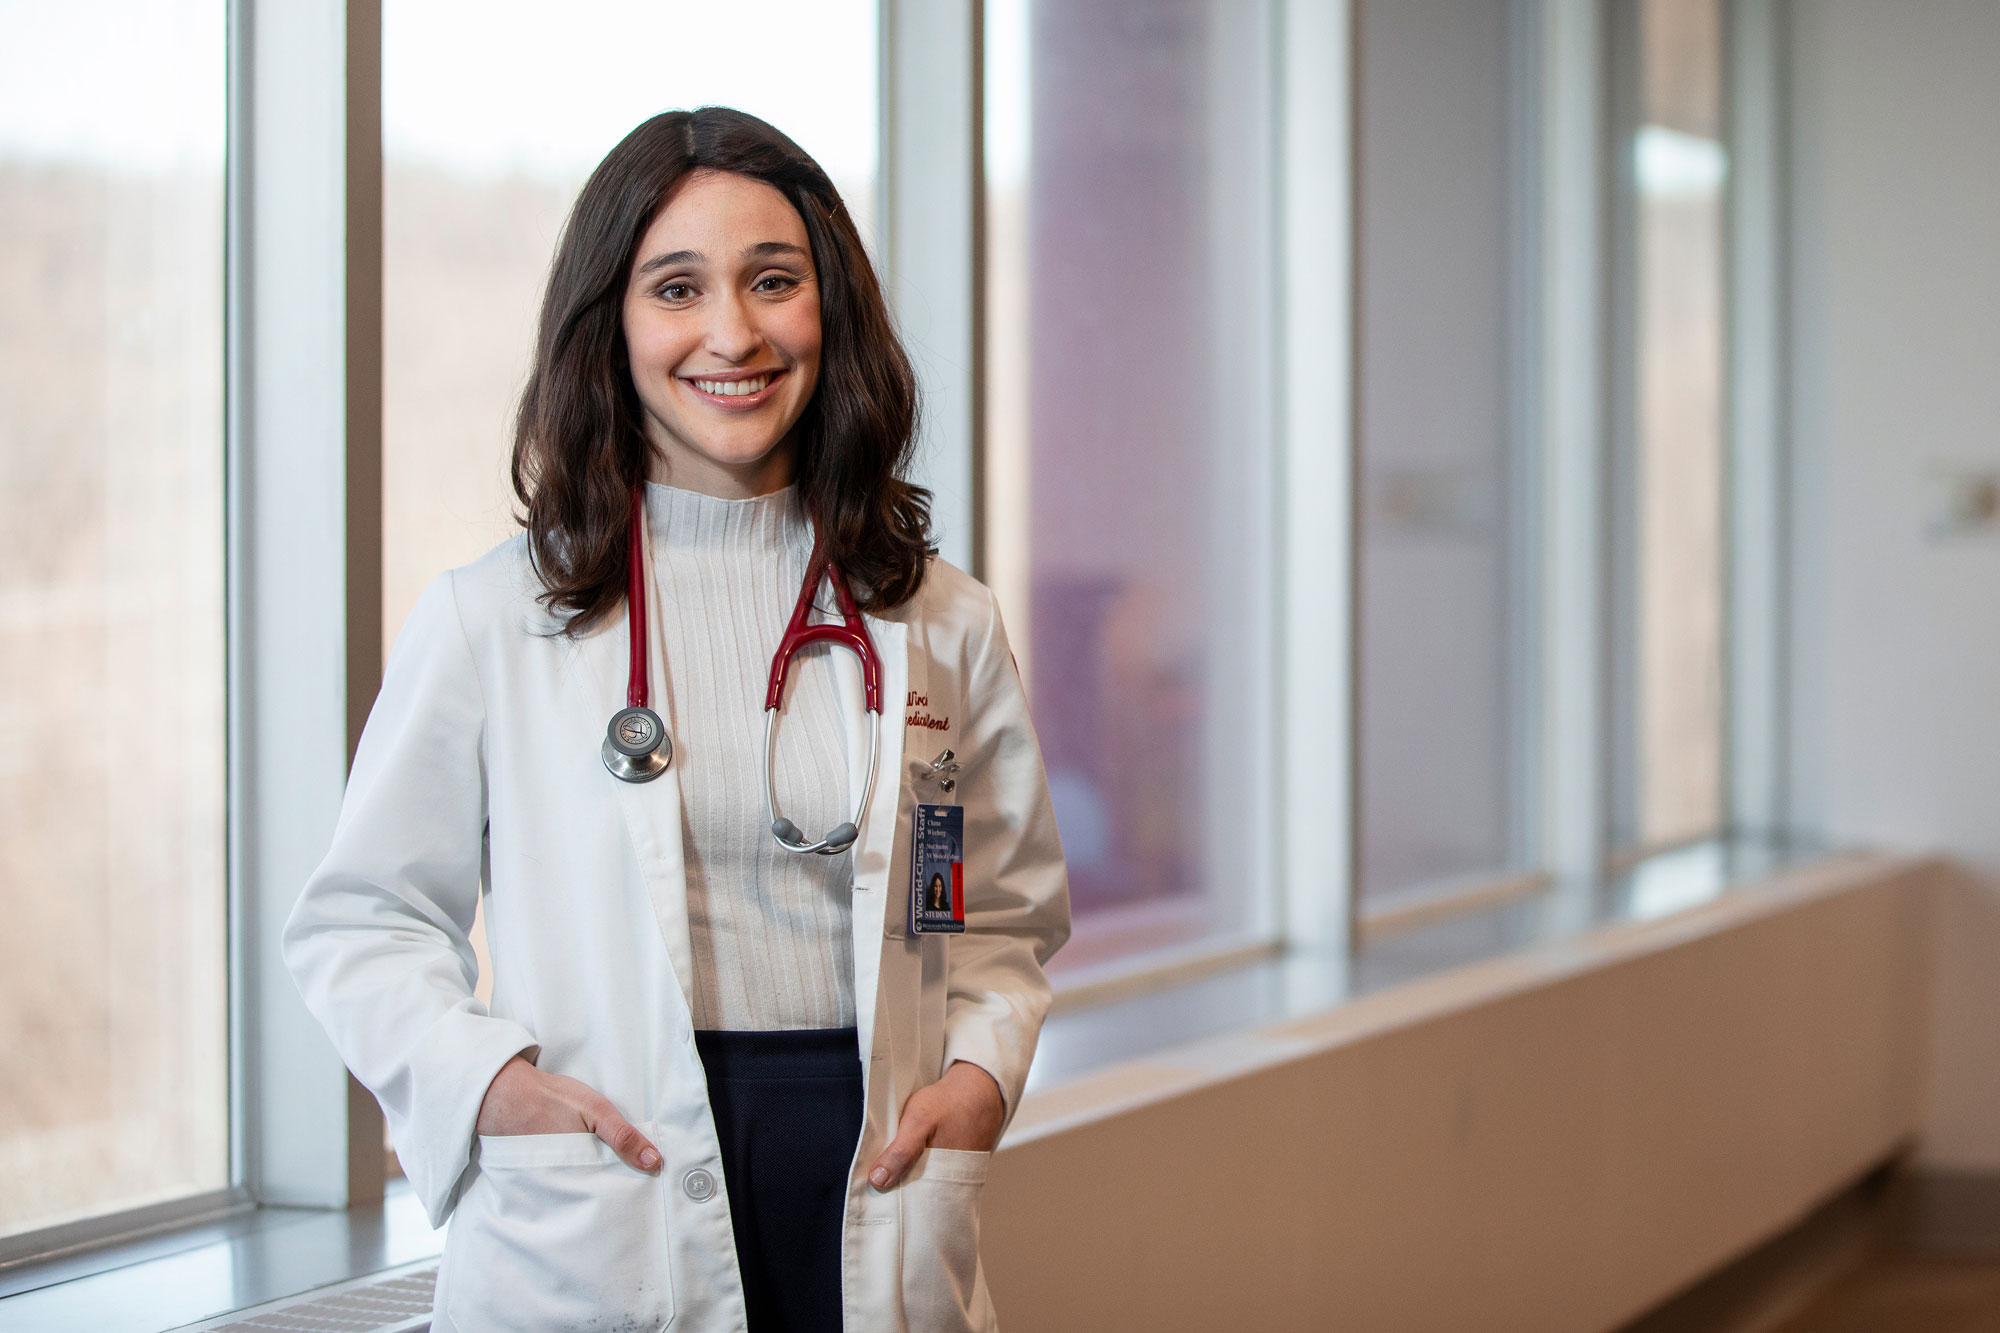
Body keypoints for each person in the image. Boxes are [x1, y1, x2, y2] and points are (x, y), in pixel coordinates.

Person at [283, 106, 1069, 1333]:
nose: (731, 333)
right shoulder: (495, 620)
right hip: (613, 1177)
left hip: (871, 1171)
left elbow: (1000, 910)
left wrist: (975, 1079)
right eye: (676, 288)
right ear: (612, 326)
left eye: (773, 281)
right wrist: (488, 1088)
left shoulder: (938, 620)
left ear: (831, 312)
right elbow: (362, 921)